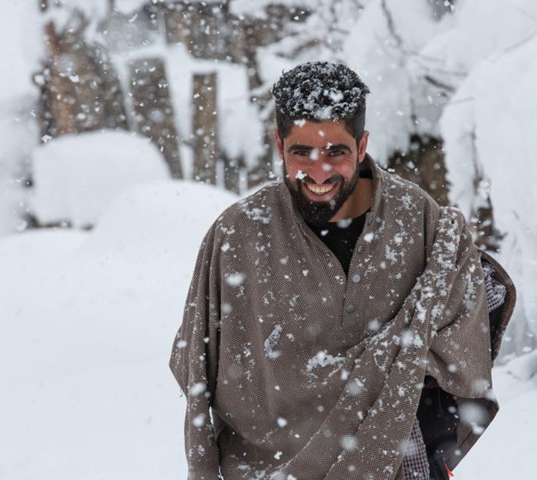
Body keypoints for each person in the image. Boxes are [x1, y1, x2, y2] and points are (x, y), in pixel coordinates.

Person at [170, 61, 516, 480]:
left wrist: (399, 405)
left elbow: (470, 326)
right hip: (269, 470)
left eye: (336, 152)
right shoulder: (238, 236)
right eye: (302, 152)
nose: (319, 172)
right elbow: (195, 367)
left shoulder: (418, 222)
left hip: (398, 466)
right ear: (279, 144)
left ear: (362, 143)